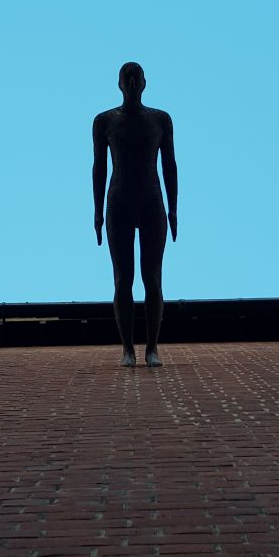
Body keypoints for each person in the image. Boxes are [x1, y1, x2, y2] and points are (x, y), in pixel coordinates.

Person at [92, 62, 178, 367]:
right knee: (122, 280)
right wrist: (98, 212)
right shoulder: (104, 121)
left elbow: (170, 165)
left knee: (152, 279)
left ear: (144, 83)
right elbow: (99, 168)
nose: (131, 82)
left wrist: (173, 208)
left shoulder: (160, 120)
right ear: (119, 84)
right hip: (119, 203)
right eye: (126, 78)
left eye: (136, 77)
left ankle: (152, 347)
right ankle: (128, 347)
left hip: (151, 201)